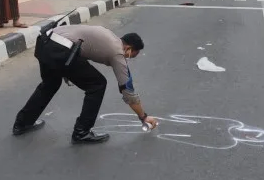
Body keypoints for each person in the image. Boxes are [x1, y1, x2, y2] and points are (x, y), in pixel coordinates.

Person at [12, 24, 159, 144]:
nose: (128, 59)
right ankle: (81, 132)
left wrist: (66, 68)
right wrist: (143, 117)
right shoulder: (117, 52)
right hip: (61, 50)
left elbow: (81, 47)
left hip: (45, 42)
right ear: (128, 48)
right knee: (97, 84)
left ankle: (22, 123)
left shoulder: (108, 35)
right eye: (132, 55)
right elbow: (127, 89)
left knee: (50, 84)